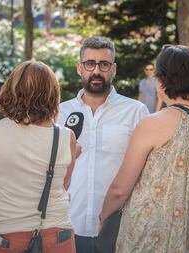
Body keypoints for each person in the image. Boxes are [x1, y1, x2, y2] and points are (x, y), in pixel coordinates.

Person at [100, 45, 189, 252]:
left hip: (152, 238)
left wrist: (103, 218)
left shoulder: (153, 123)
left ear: (162, 80)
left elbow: (120, 190)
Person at [0, 60, 76, 253]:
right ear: (53, 94)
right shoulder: (66, 137)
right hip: (57, 236)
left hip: (4, 238)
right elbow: (63, 185)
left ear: (11, 89)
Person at [57, 36, 149, 253]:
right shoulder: (60, 112)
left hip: (118, 228)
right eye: (90, 64)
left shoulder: (136, 112)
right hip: (69, 225)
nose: (96, 71)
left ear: (113, 69)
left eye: (104, 64)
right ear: (80, 68)